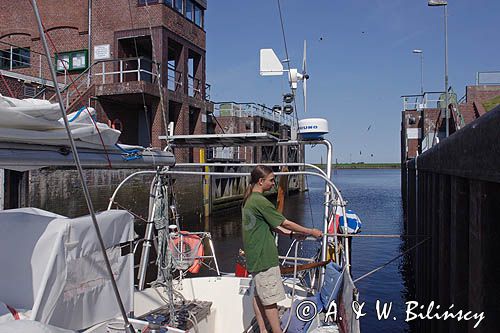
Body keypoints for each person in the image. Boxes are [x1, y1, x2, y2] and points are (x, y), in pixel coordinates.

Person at [242, 165, 323, 333]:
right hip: (264, 258)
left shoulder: (249, 200)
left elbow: (274, 226)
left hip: (255, 257)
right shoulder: (260, 201)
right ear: (261, 181)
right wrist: (310, 231)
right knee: (270, 300)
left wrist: (293, 235)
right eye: (271, 180)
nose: (274, 183)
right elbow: (284, 222)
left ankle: (263, 330)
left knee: (259, 295)